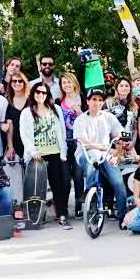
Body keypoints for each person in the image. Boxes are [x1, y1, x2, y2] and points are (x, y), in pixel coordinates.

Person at [74, 88, 128, 224]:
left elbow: (120, 135)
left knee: (118, 183)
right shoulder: (80, 120)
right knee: (93, 156)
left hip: (105, 155)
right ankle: (89, 196)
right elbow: (84, 143)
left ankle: (123, 217)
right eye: (94, 99)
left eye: (100, 100)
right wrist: (104, 148)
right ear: (87, 101)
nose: (97, 103)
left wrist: (118, 153)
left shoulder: (108, 117)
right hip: (85, 155)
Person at [20, 81, 70, 228]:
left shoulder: (56, 109)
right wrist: (32, 151)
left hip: (55, 152)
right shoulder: (26, 112)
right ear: (33, 93)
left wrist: (63, 151)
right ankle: (35, 217)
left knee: (58, 186)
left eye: (44, 92)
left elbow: (62, 131)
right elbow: (24, 134)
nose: (40, 95)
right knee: (36, 188)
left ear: (47, 94)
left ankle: (61, 215)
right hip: (37, 155)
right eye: (38, 92)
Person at [57, 72, 87, 217]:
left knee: (78, 174)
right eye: (64, 83)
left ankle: (79, 206)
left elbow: (89, 121)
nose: (67, 85)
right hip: (64, 143)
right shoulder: (58, 102)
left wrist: (80, 111)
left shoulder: (84, 100)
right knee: (65, 176)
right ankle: (63, 209)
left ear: (74, 83)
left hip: (79, 143)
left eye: (69, 82)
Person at [4, 71, 31, 163]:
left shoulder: (31, 100)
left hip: (30, 140)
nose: (17, 83)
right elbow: (9, 125)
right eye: (14, 81)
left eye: (20, 81)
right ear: (10, 83)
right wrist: (10, 146)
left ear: (24, 83)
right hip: (14, 141)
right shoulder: (7, 101)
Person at [105, 76, 139, 145]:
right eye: (121, 86)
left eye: (127, 86)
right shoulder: (109, 103)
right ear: (117, 88)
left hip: (129, 143)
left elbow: (135, 128)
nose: (124, 88)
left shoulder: (134, 106)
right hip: (113, 143)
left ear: (130, 89)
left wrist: (133, 143)